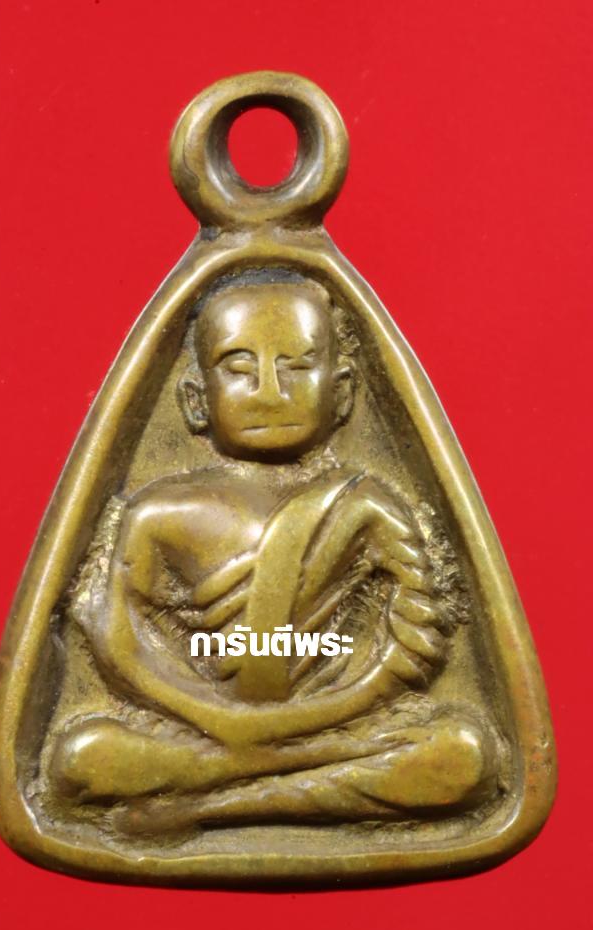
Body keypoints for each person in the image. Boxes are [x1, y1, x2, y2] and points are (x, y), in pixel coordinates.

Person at [52, 268, 497, 832]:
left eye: (297, 367)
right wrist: (218, 718)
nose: (269, 393)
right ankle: (285, 775)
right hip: (210, 727)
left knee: (463, 753)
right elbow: (120, 644)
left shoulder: (367, 506)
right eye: (240, 369)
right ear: (196, 400)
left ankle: (214, 807)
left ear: (341, 392)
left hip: (334, 724)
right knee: (82, 758)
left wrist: (308, 721)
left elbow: (414, 643)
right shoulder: (158, 512)